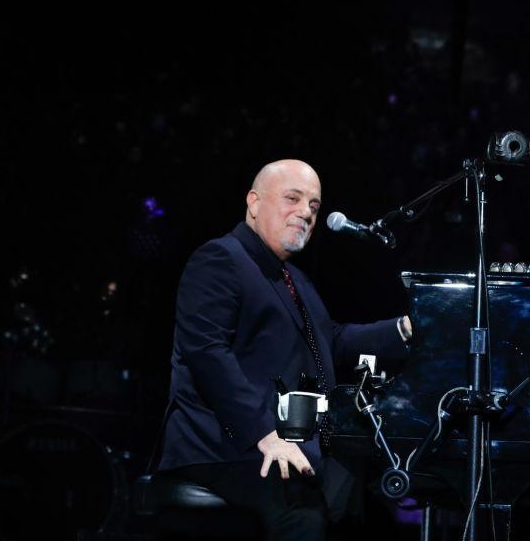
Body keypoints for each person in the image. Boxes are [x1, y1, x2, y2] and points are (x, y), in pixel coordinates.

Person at [157, 159, 412, 540]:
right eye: (292, 198)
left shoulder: (294, 278)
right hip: (223, 446)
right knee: (301, 509)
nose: (306, 213)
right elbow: (207, 351)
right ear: (254, 202)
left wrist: (403, 329)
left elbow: (332, 340)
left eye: (313, 205)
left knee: (363, 500)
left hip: (280, 443)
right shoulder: (220, 258)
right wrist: (263, 433)